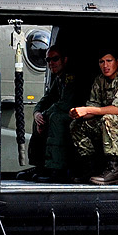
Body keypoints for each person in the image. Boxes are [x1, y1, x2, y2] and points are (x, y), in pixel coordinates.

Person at [70, 51, 118, 185]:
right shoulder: (100, 80)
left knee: (109, 119)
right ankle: (91, 168)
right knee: (76, 125)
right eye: (101, 62)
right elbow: (93, 106)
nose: (105, 65)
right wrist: (79, 113)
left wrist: (87, 110)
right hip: (111, 118)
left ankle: (114, 170)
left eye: (109, 61)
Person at [28, 48, 86, 181]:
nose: (51, 63)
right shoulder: (59, 78)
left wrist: (44, 114)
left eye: (55, 59)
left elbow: (65, 103)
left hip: (77, 114)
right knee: (39, 119)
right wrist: (37, 113)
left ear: (64, 60)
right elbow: (47, 99)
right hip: (65, 113)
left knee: (55, 118)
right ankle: (41, 165)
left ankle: (57, 169)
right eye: (48, 60)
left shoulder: (70, 77)